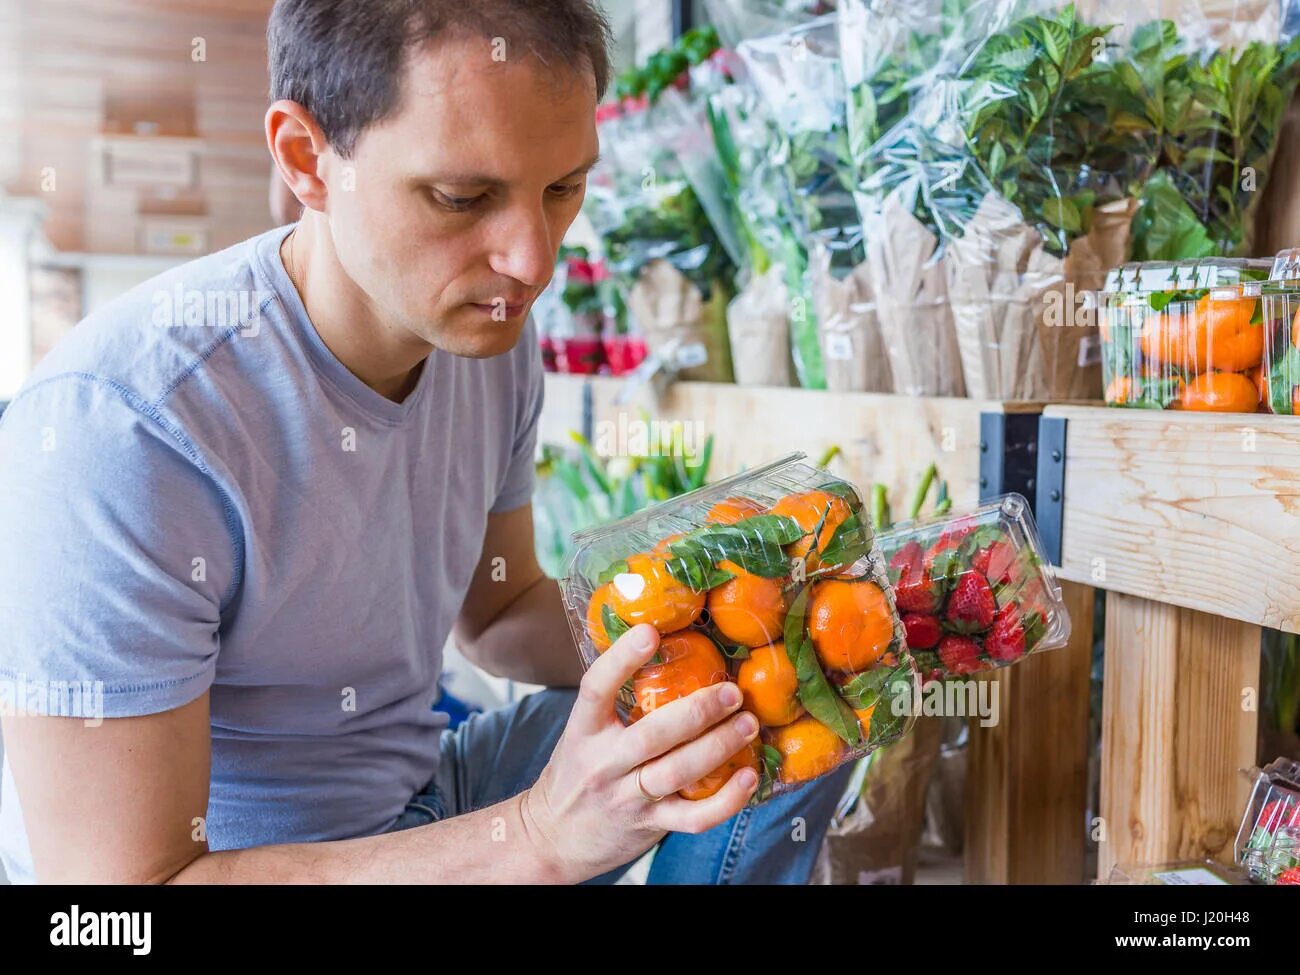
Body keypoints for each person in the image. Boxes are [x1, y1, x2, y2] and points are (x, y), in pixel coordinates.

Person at [0, 0, 853, 885]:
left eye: (563, 187)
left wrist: (732, 618)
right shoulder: (127, 425)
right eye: (463, 197)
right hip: (241, 862)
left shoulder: (489, 342)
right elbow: (112, 907)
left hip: (427, 797)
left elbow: (500, 611)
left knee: (775, 701)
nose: (533, 261)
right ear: (307, 159)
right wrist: (536, 839)